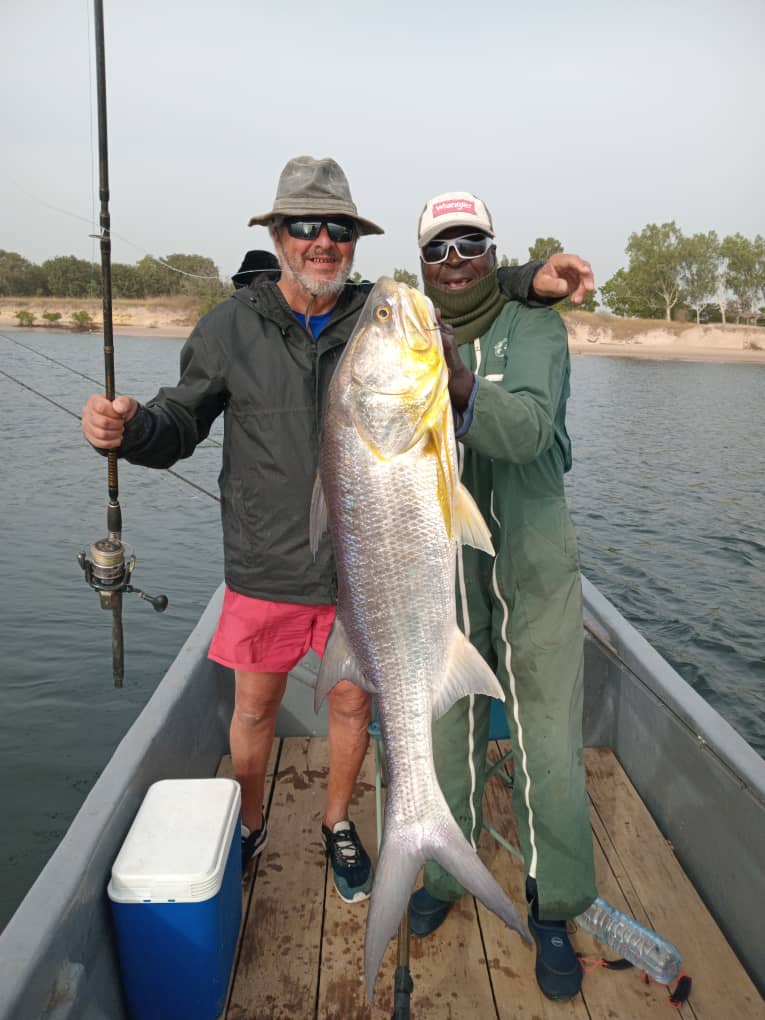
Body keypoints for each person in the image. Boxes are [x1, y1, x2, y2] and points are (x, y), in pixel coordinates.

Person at [80, 156, 592, 906]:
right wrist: (129, 433)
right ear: (278, 235)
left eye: (339, 229)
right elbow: (179, 420)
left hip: (358, 576)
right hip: (266, 564)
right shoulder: (230, 326)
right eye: (305, 227)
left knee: (353, 703)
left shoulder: (369, 315)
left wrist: (525, 277)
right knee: (253, 706)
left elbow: (450, 294)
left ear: (354, 240)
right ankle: (249, 824)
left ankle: (338, 824)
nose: (324, 242)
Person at [407, 191, 597, 1002]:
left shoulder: (537, 328)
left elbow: (521, 432)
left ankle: (553, 902)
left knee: (544, 734)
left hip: (531, 556)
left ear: (493, 250)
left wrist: (457, 388)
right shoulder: (408, 330)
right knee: (441, 724)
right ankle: (446, 876)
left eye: (470, 244)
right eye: (438, 249)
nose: (454, 262)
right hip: (441, 559)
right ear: (420, 265)